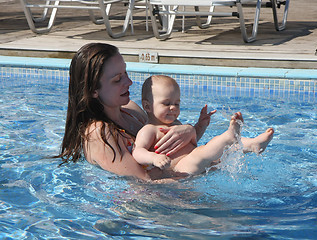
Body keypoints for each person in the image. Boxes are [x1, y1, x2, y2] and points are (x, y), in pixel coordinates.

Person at [56, 43, 206, 181]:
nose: (129, 82)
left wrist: (190, 131)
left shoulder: (132, 110)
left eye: (125, 73)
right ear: (93, 90)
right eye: (117, 79)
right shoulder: (100, 133)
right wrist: (194, 173)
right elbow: (144, 184)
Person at [132, 75, 274, 175]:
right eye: (167, 103)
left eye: (177, 103)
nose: (173, 108)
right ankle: (229, 136)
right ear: (147, 106)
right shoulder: (149, 130)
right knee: (202, 152)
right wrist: (154, 158)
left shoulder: (176, 124)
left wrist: (201, 126)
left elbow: (192, 141)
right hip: (179, 169)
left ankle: (251, 145)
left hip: (197, 165)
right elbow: (137, 152)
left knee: (222, 155)